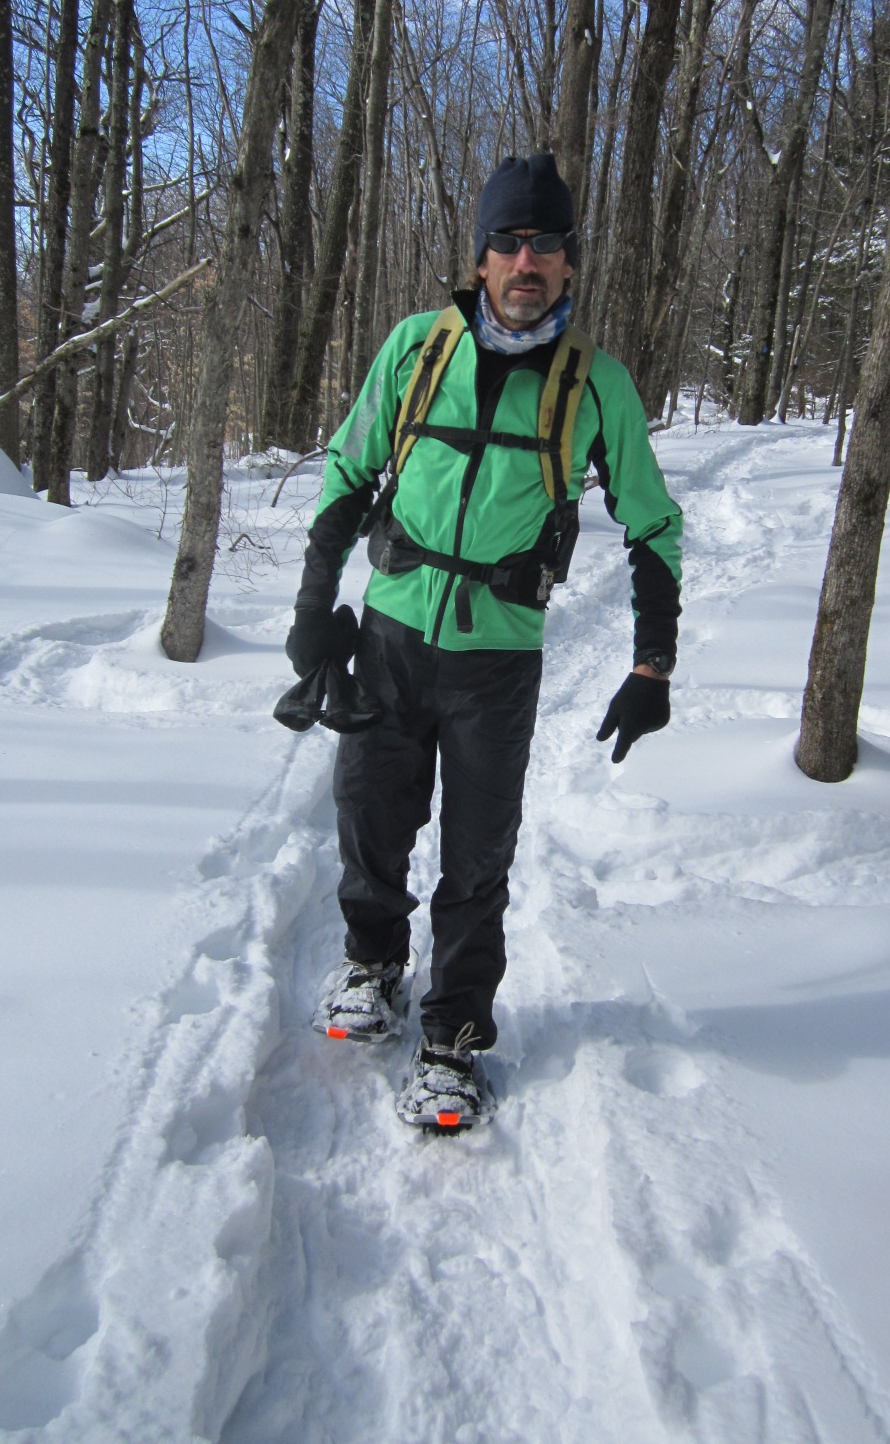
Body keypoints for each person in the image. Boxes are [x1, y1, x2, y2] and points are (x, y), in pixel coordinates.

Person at [285, 153, 682, 1128]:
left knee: (476, 854)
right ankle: (372, 964)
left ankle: (453, 1038)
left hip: (496, 660)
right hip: (391, 631)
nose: (526, 260)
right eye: (508, 240)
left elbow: (653, 524)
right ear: (481, 255)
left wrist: (652, 661)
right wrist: (311, 604)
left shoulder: (598, 390)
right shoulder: (417, 349)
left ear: (571, 264)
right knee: (372, 817)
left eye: (546, 243)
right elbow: (348, 468)